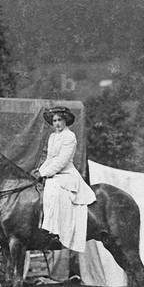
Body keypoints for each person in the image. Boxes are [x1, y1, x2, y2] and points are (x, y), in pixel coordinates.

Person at [35, 106, 96, 253]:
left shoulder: (70, 137)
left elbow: (62, 161)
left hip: (66, 174)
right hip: (53, 172)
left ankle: (55, 231)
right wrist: (40, 171)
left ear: (65, 121)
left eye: (60, 120)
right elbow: (50, 158)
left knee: (54, 189)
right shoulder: (53, 137)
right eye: (54, 120)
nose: (56, 123)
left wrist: (45, 173)